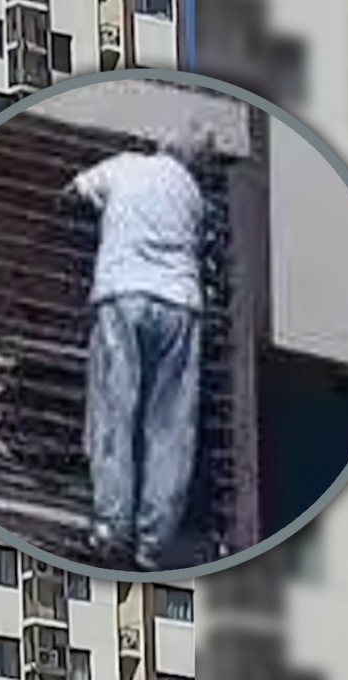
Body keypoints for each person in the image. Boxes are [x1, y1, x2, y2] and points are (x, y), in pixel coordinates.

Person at [60, 125, 214, 571]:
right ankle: (153, 543)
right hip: (180, 305)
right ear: (198, 164)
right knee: (170, 429)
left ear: (160, 145)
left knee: (115, 412)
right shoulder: (194, 196)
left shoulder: (124, 166)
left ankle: (111, 529)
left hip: (123, 293)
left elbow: (72, 192)